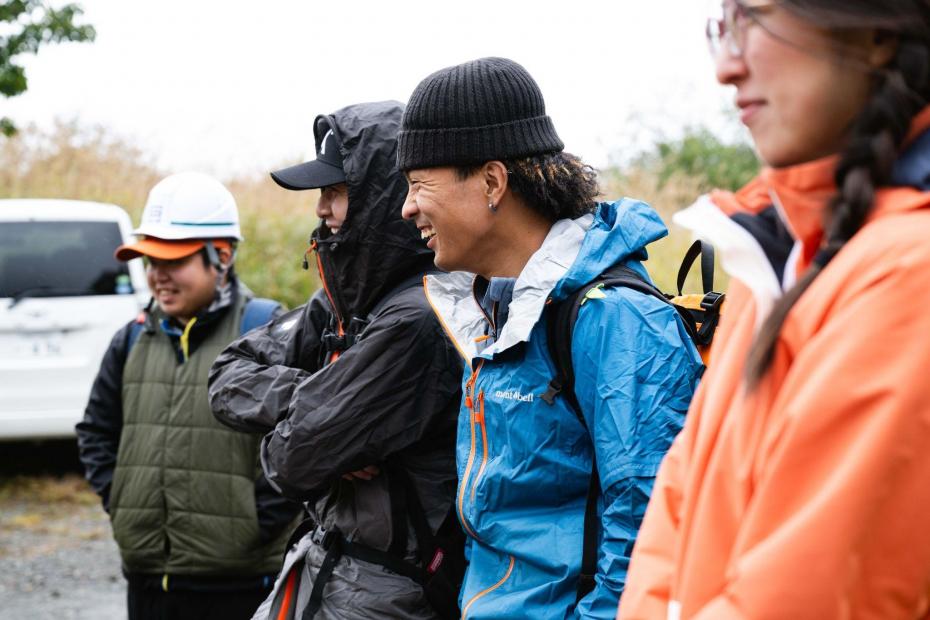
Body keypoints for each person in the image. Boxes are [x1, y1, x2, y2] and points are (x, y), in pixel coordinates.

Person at [619, 3, 930, 618]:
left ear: (876, 33)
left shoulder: (908, 273)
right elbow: (678, 503)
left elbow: (810, 592)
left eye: (753, 19)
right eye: (723, 28)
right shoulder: (769, 259)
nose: (726, 68)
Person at [397, 57, 703, 619]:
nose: (407, 207)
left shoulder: (614, 318)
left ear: (492, 182)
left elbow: (651, 525)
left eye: (419, 184)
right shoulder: (495, 313)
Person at [208, 100, 464, 620]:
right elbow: (226, 374)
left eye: (335, 192)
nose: (321, 210)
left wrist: (320, 424)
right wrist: (322, 399)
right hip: (322, 561)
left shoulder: (418, 316)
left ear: (381, 197)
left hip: (387, 588)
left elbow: (293, 459)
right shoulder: (342, 301)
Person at [75, 172, 298, 620]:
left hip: (240, 585)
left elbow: (303, 440)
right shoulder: (131, 339)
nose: (158, 276)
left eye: (173, 261)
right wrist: (123, 502)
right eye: (150, 261)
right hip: (148, 582)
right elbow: (96, 433)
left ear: (222, 256)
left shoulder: (266, 332)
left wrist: (254, 523)